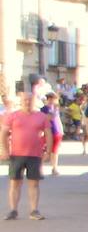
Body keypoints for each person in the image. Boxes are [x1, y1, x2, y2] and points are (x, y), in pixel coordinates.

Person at [1, 91, 53, 220]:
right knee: (14, 183)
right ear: (21, 101)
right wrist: (5, 150)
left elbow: (48, 135)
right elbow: (3, 134)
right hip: (16, 155)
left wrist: (48, 152)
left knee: (34, 184)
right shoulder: (12, 116)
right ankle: (13, 210)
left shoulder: (42, 117)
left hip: (35, 155)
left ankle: (34, 211)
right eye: (25, 100)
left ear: (33, 101)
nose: (27, 102)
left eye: (30, 99)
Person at [40, 93, 63, 177]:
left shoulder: (56, 109)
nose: (52, 100)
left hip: (57, 132)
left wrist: (61, 130)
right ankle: (40, 169)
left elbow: (57, 119)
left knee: (55, 151)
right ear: (47, 100)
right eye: (50, 99)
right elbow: (44, 119)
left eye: (54, 99)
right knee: (43, 151)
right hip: (47, 132)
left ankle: (54, 168)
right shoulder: (44, 109)